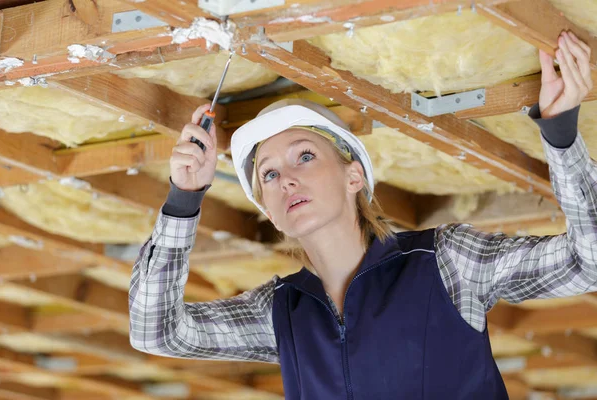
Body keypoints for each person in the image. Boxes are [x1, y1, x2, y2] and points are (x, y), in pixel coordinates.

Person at [129, 31, 595, 399]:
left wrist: (561, 134)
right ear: (269, 213)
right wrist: (184, 199)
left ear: (354, 177)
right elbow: (155, 331)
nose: (286, 179)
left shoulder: (447, 263)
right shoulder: (281, 313)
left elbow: (587, 261)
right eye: (268, 176)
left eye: (305, 156)